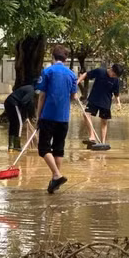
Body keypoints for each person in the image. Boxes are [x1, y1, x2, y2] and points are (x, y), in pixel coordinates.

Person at [35, 45, 79, 194]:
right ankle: (55, 180)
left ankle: (57, 174)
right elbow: (73, 96)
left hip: (48, 116)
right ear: (65, 59)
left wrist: (38, 116)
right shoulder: (72, 75)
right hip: (63, 117)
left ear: (53, 57)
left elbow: (42, 96)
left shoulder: (47, 71)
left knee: (43, 148)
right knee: (58, 149)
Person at [77, 64, 123, 145]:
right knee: (86, 114)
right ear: (111, 69)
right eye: (114, 74)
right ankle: (92, 136)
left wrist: (118, 103)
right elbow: (86, 74)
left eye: (116, 76)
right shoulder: (100, 71)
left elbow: (116, 93)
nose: (114, 76)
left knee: (104, 122)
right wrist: (77, 81)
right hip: (94, 99)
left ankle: (103, 143)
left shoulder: (115, 80)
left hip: (106, 103)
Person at [4, 84, 36, 151]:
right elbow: (23, 102)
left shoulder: (29, 88)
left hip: (7, 102)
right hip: (13, 103)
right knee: (19, 123)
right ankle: (17, 145)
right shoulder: (31, 91)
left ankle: (11, 147)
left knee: (13, 124)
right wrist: (25, 116)